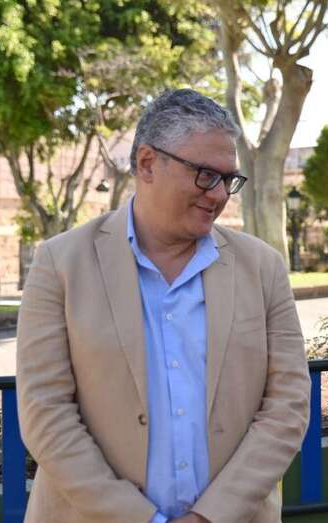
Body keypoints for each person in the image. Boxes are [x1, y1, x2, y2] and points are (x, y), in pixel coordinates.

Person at [16, 89, 311, 523]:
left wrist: (210, 516)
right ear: (147, 163)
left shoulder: (262, 268)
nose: (219, 195)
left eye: (228, 179)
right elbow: (45, 412)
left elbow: (288, 404)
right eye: (205, 175)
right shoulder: (61, 264)